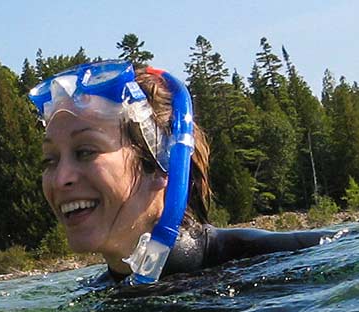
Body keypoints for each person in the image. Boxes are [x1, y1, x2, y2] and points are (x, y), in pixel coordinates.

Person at [32, 60, 332, 287]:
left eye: (86, 152)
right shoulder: (96, 296)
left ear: (161, 162)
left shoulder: (281, 260)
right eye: (49, 160)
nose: (61, 178)